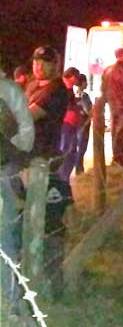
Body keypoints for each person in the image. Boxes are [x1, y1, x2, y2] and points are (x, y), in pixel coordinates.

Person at [26, 45, 73, 297]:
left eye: (43, 62)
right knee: (25, 221)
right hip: (26, 162)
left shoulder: (55, 90)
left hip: (43, 164)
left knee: (49, 224)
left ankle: (53, 287)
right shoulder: (34, 87)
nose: (37, 65)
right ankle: (27, 279)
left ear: (55, 65)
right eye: (35, 60)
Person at [0, 73, 34, 312]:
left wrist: (18, 164)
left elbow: (25, 132)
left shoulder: (9, 91)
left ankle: (14, 301)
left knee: (6, 235)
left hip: (4, 170)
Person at [101, 47, 123, 166]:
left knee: (115, 132)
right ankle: (118, 158)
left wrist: (105, 101)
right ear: (122, 55)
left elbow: (103, 88)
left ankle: (116, 157)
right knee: (120, 134)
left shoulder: (107, 70)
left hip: (113, 106)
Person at [57, 67, 82, 182]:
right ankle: (61, 177)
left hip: (70, 124)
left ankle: (64, 177)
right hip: (65, 125)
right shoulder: (61, 88)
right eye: (76, 78)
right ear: (72, 77)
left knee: (71, 152)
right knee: (66, 152)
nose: (77, 81)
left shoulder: (69, 89)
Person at [74, 74, 93, 174]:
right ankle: (79, 169)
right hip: (84, 124)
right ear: (83, 83)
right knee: (82, 148)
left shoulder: (74, 94)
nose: (87, 83)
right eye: (86, 81)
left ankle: (78, 168)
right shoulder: (84, 96)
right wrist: (91, 115)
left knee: (77, 147)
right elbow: (88, 110)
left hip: (76, 123)